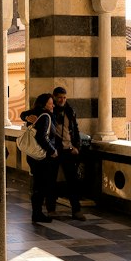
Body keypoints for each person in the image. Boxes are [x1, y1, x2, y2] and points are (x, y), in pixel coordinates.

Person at [25, 93, 59, 225]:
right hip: (42, 157)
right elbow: (42, 137)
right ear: (45, 104)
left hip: (34, 156)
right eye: (51, 103)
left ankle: (37, 213)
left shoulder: (38, 114)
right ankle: (37, 213)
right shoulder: (45, 116)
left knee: (38, 185)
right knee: (40, 186)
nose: (53, 105)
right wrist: (52, 150)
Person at [51, 85, 84, 219]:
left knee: (72, 182)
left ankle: (76, 210)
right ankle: (51, 209)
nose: (62, 100)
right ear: (54, 97)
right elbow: (26, 115)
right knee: (51, 180)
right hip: (54, 151)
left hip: (68, 150)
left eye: (64, 98)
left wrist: (77, 146)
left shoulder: (70, 111)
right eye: (59, 98)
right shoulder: (49, 111)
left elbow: (75, 129)